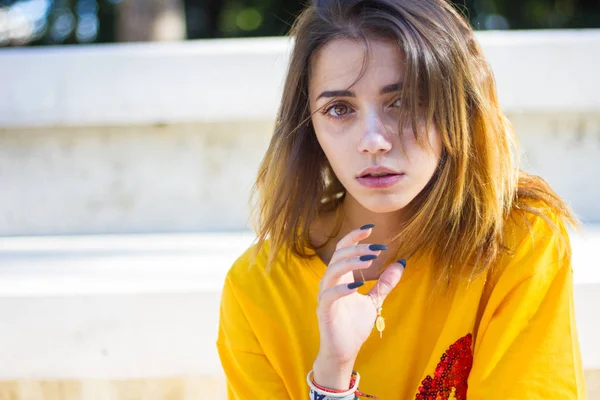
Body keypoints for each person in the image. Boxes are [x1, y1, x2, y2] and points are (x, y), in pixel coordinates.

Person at [216, 0, 586, 398]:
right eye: (339, 109)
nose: (373, 140)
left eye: (403, 102)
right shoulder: (258, 289)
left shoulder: (516, 240)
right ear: (309, 127)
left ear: (457, 105)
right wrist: (332, 377)